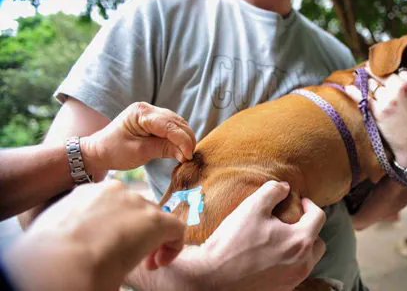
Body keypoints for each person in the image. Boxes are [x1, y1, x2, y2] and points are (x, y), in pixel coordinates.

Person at [19, 0, 407, 289]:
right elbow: (43, 202)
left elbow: (360, 215)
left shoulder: (335, 59)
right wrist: (187, 279)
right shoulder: (155, 17)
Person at [1, 102, 324, 290]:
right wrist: (193, 280)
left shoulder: (332, 53)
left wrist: (93, 151)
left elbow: (361, 215)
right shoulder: (148, 15)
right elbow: (39, 211)